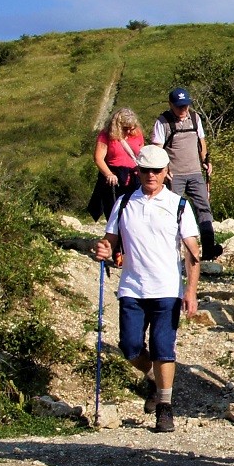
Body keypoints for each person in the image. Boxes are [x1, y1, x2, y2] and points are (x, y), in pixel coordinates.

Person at [92, 145, 201, 433]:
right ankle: (154, 378)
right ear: (137, 171)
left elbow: (192, 253)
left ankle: (165, 409)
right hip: (132, 287)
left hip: (166, 288)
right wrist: (104, 249)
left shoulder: (179, 205)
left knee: (163, 348)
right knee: (129, 347)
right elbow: (110, 240)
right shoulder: (125, 203)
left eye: (157, 170)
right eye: (146, 170)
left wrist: (190, 291)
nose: (151, 175)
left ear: (167, 172)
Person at [153, 87, 222, 260]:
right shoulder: (163, 122)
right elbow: (157, 149)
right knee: (172, 211)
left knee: (204, 208)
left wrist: (206, 161)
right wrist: (163, 170)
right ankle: (169, 250)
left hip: (195, 173)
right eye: (179, 106)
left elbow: (201, 142)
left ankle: (208, 249)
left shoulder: (195, 118)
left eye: (186, 106)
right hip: (174, 176)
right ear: (171, 105)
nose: (183, 110)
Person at [88, 107, 145, 221]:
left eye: (131, 128)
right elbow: (98, 158)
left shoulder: (137, 133)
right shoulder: (106, 135)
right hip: (115, 178)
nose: (129, 131)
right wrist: (108, 174)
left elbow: (142, 154)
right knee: (114, 212)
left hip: (134, 178)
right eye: (125, 128)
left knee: (134, 212)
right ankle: (116, 237)